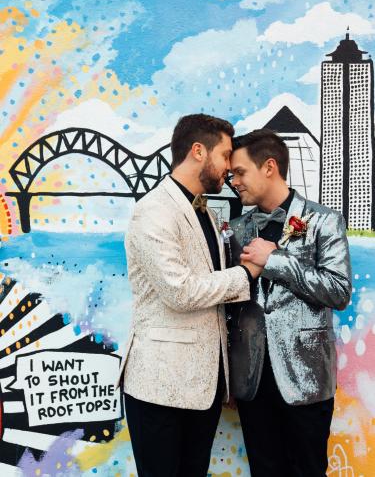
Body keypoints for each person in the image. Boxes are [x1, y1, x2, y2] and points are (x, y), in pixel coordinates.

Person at [119, 114, 261, 477]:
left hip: (203, 387)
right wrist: (245, 274)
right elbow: (179, 291)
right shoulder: (153, 211)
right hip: (160, 388)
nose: (229, 168)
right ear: (199, 151)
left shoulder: (203, 211)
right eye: (226, 155)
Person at [227, 128, 352, 477]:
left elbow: (339, 291)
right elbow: (231, 305)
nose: (233, 181)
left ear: (269, 167)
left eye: (239, 172)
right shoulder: (236, 230)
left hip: (306, 378)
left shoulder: (324, 220)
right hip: (252, 380)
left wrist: (277, 261)